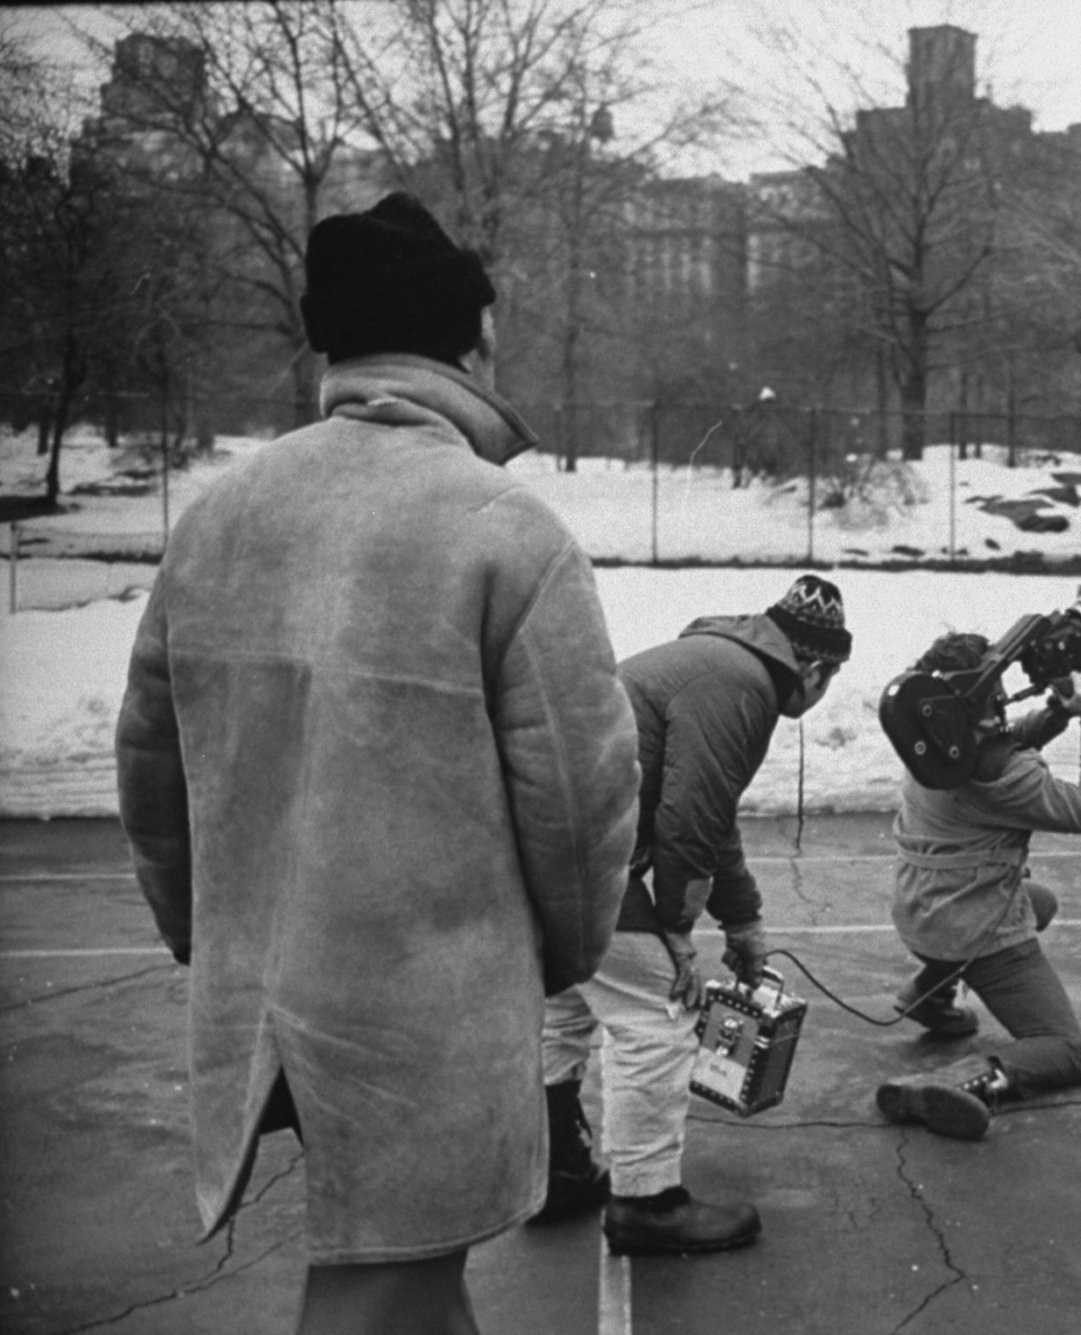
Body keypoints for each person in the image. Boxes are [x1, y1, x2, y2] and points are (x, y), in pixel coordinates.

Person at [115, 193, 640, 1334]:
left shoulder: (217, 517)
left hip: (265, 1004)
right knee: (377, 1289)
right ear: (468, 339)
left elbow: (151, 774)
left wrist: (218, 943)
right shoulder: (506, 529)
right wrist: (556, 956)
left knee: (410, 1282)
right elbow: (581, 803)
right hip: (426, 1011)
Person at [538, 575, 852, 1255]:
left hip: (543, 842)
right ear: (818, 667)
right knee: (658, 1014)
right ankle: (645, 1203)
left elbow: (711, 816)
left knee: (570, 1003)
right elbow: (689, 818)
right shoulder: (742, 686)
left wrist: (743, 921)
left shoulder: (717, 662)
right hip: (582, 854)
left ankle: (555, 1168)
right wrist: (676, 934)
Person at [873, 606, 1081, 1142]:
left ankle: (930, 996)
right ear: (973, 707)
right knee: (1066, 1050)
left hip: (922, 913)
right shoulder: (1002, 779)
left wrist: (1059, 710)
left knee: (1041, 902)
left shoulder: (935, 746)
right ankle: (955, 1082)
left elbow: (1005, 740)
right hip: (973, 929)